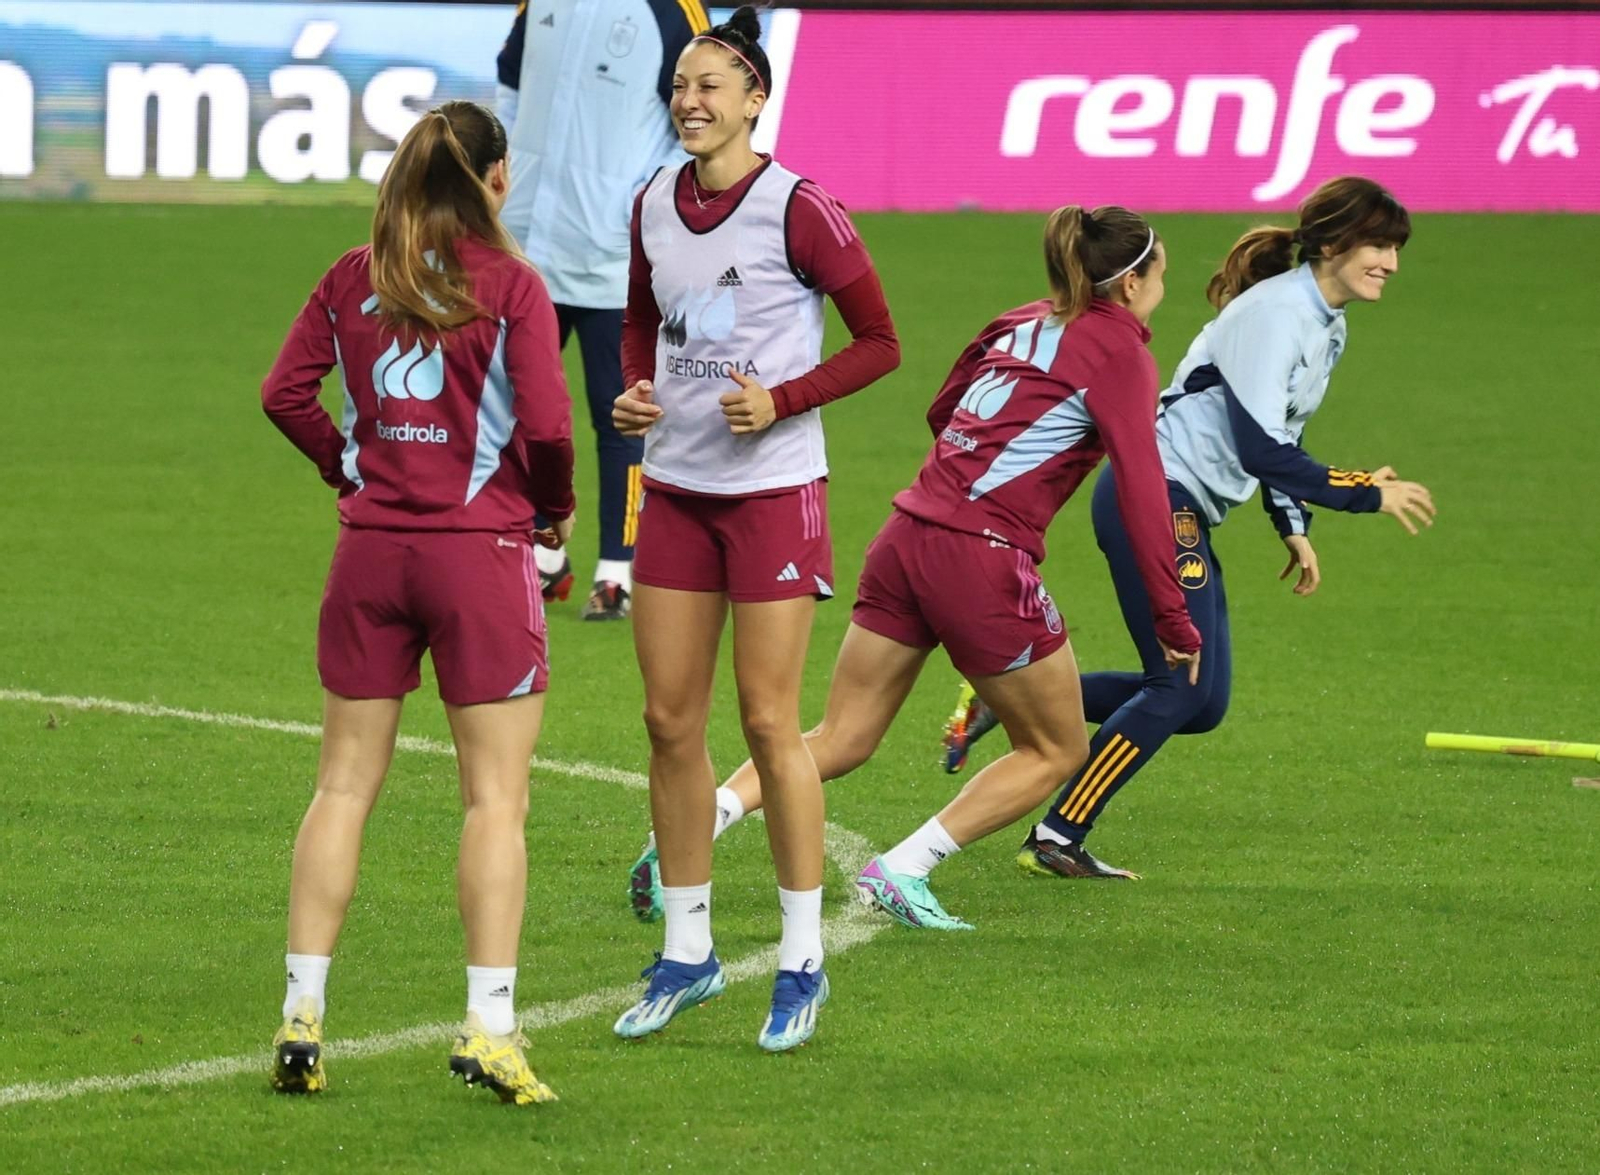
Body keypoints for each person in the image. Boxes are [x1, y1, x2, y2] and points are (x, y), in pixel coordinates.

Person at [630, 203, 1202, 932]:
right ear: (1131, 284)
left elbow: (942, 408)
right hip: (983, 556)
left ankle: (697, 821)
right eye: (1161, 274)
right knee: (1059, 746)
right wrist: (1171, 616)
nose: (1162, 287)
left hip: (907, 533)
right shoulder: (1123, 351)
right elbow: (1145, 493)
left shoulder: (1021, 318)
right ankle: (906, 866)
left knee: (842, 733)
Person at [942, 175, 1437, 880]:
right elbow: (1265, 448)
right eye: (1379, 245)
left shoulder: (1325, 322)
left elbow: (1276, 432)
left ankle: (1004, 697)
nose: (1390, 261)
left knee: (1204, 703)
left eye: (1395, 248)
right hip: (1155, 500)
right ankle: (1057, 833)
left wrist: (1291, 520)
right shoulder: (1275, 315)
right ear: (1332, 243)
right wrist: (1361, 493)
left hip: (1186, 506)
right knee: (1179, 683)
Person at [260, 100, 575, 1105]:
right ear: (493, 180)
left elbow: (284, 392)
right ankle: (488, 1025)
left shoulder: (356, 277)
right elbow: (552, 425)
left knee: (342, 785)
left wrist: (346, 469)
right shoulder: (511, 286)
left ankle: (303, 1009)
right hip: (478, 556)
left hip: (369, 556)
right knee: (495, 797)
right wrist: (554, 512)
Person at [607, 6, 900, 1051]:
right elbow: (641, 314)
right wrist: (633, 387)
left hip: (773, 491)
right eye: (680, 85)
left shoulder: (798, 208)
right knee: (666, 721)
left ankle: (800, 961)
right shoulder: (649, 200)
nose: (689, 99)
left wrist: (781, 398)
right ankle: (688, 954)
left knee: (771, 724)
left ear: (755, 99)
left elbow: (879, 343)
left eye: (710, 85)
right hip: (677, 489)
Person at [495, 0, 709, 619]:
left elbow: (693, 119)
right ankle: (543, 552)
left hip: (611, 258)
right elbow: (511, 86)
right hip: (528, 241)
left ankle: (617, 568)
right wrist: (506, 182)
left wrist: (636, 205)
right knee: (512, 404)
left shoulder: (674, 10)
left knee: (617, 414)